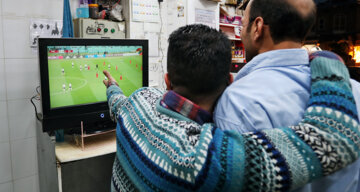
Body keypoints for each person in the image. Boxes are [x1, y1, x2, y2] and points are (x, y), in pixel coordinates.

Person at [103, 24, 360, 192]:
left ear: (168, 80)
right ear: (229, 81)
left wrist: (112, 86)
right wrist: (326, 59)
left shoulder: (138, 100)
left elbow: (118, 104)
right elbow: (335, 140)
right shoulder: (206, 161)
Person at [214, 0, 360, 192]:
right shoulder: (353, 90)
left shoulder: (237, 102)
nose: (242, 31)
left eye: (243, 24)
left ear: (258, 27)